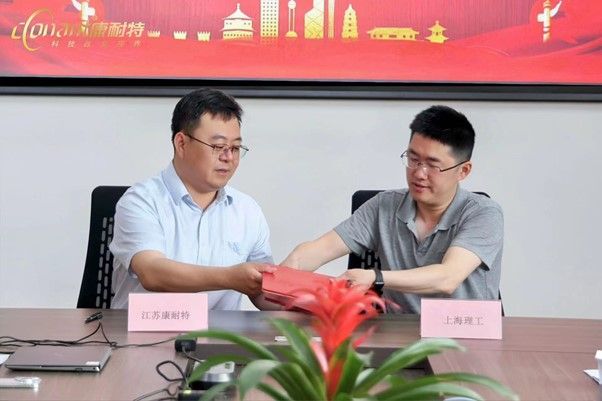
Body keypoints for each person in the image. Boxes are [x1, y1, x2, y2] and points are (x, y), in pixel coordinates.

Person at [282, 105, 503, 313]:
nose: (419, 173)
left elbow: (448, 278)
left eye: (433, 165)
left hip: (467, 340)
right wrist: (279, 274)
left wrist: (376, 277)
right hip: (397, 338)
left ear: (463, 170)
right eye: (413, 159)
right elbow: (321, 248)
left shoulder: (484, 213)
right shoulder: (384, 206)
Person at [110, 88, 275, 310]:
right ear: (181, 143)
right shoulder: (141, 201)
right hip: (143, 339)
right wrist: (230, 277)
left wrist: (314, 298)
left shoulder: (247, 210)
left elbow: (263, 293)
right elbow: (152, 272)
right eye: (218, 146)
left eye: (235, 148)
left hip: (220, 341)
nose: (228, 158)